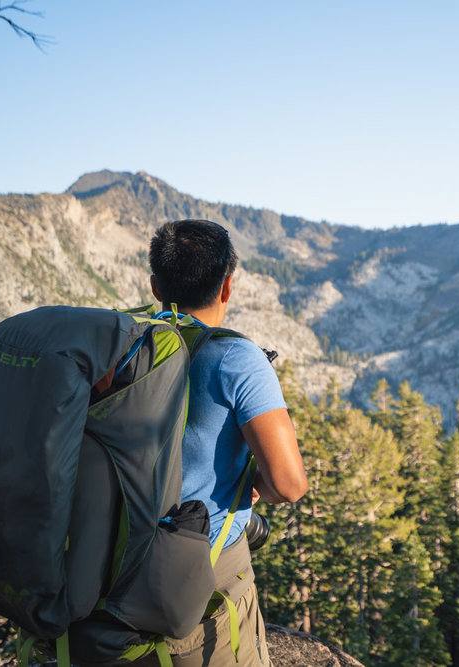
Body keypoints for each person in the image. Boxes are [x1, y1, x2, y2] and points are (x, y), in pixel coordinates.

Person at [142, 218, 308, 666]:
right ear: (227, 287)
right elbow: (289, 484)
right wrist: (253, 484)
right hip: (204, 572)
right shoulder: (237, 358)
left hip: (112, 559)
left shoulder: (122, 346)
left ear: (156, 287)